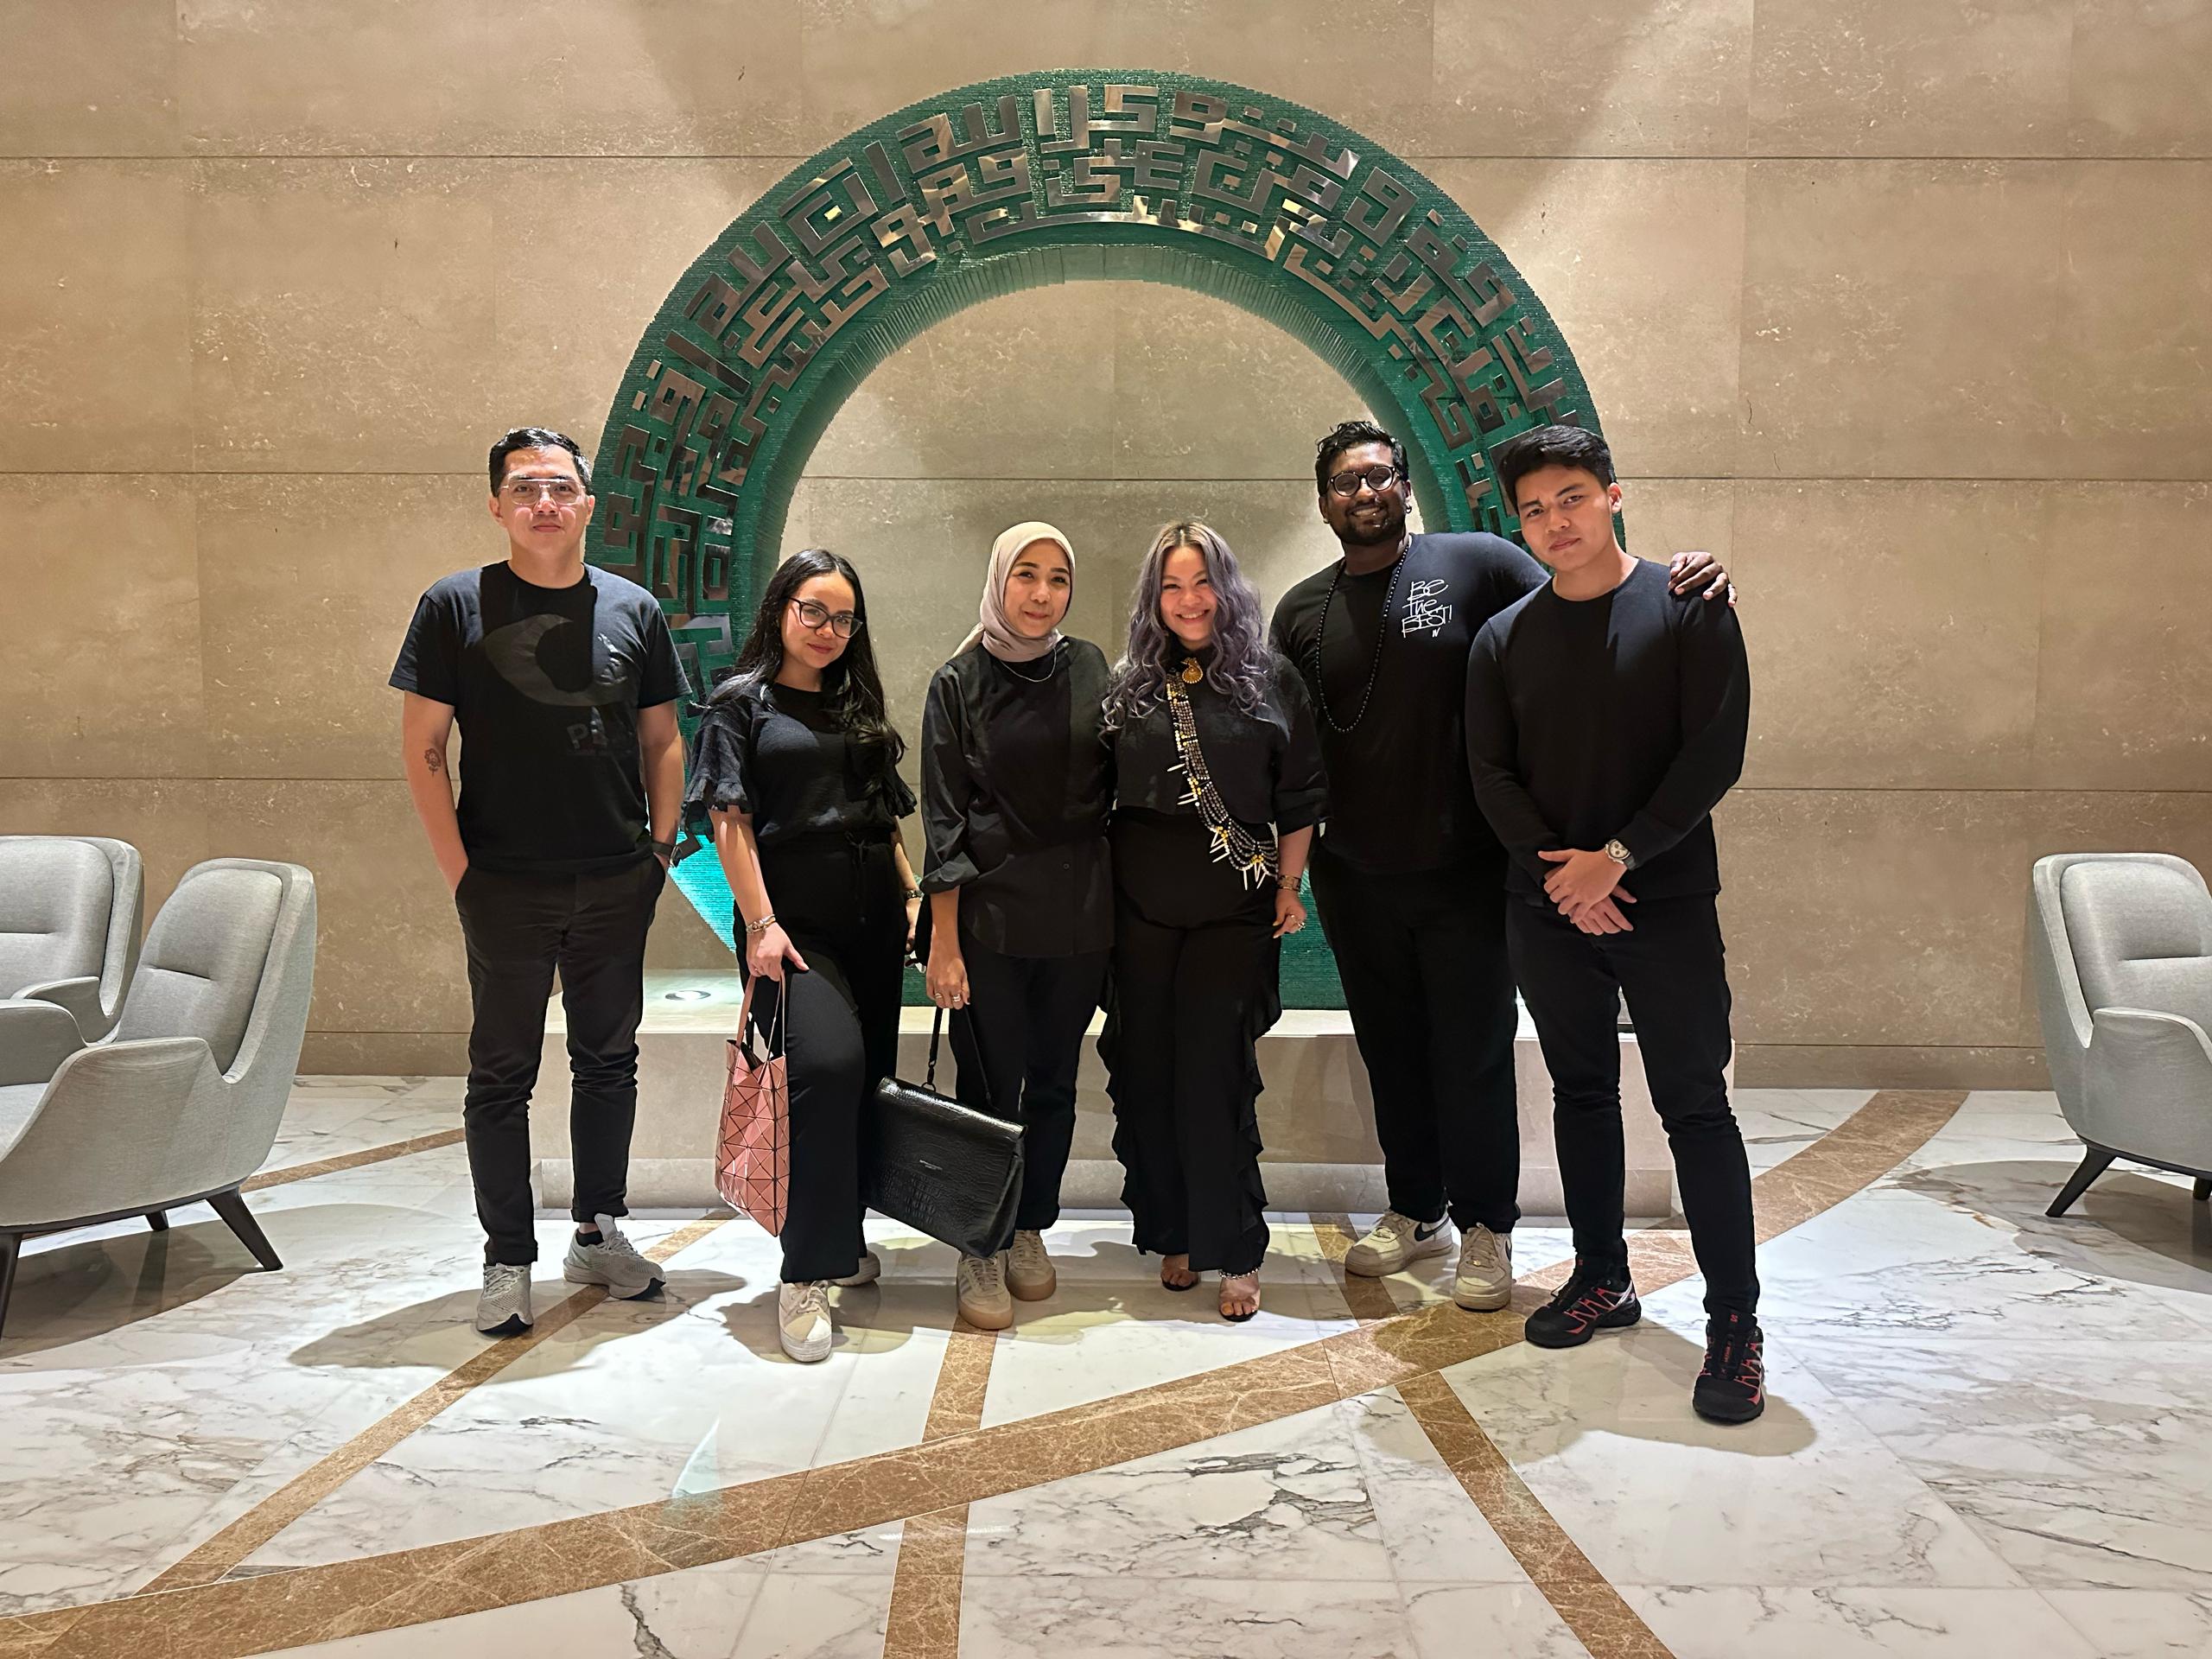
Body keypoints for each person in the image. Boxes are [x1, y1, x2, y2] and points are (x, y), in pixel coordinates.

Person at [1269, 420, 1731, 1312]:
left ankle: (1488, 1223)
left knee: (1474, 1050)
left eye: (1378, 476)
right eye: (1343, 483)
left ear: (1404, 486)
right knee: (1392, 1050)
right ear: (1323, 503)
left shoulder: (1478, 563)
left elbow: (1582, 597)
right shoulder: (1299, 609)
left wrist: (1686, 577)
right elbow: (1286, 745)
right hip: (1354, 875)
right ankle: (1416, 1208)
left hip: (1469, 869)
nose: (1363, 493)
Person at [1465, 423, 1761, 1423]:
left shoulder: (1688, 608)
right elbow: (1489, 774)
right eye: (1535, 510)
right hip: (1547, 906)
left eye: (1572, 498)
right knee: (1581, 1093)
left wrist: (1619, 857)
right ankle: (1602, 1275)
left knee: (1696, 1108)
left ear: (1612, 496)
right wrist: (1564, 879)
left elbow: (1714, 752)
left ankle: (1734, 1325)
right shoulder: (1503, 639)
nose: (1556, 522)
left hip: (1665, 903)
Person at [392, 426, 687, 1337]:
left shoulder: (634, 609)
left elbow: (663, 739)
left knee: (608, 1062)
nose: (544, 503)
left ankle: (597, 1233)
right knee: (501, 1074)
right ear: (496, 505)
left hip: (615, 878)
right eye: (525, 489)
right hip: (503, 883)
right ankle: (507, 1256)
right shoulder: (455, 605)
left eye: (560, 488)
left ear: (588, 504)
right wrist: (461, 873)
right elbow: (423, 748)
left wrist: (659, 853)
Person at [686, 549, 922, 1365]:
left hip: (875, 916)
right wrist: (760, 924)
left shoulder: (857, 705)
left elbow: (885, 815)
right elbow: (729, 820)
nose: (827, 629)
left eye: (843, 618)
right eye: (813, 611)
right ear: (781, 608)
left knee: (868, 1077)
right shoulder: (739, 706)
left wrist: (913, 898)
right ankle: (805, 1273)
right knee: (825, 1067)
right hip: (795, 926)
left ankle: (843, 1237)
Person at [1100, 522, 1326, 1323]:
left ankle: (1233, 1247)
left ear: (1227, 589)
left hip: (1233, 911)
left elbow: (1301, 796)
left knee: (1215, 1075)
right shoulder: (1128, 684)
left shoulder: (1271, 679)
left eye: (1202, 583)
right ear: (1152, 597)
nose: (1189, 600)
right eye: (1172, 585)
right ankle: (1174, 1232)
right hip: (1138, 912)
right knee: (1146, 1071)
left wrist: (1290, 887)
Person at [919, 524, 1113, 1332]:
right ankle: (982, 1241)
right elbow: (944, 822)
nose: (1041, 593)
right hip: (989, 923)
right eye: (1026, 575)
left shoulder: (1091, 667)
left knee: (1056, 1083)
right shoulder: (958, 682)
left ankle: (1031, 1226)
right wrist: (943, 941)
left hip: (1079, 919)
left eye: (1057, 578)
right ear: (999, 581)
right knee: (990, 1088)